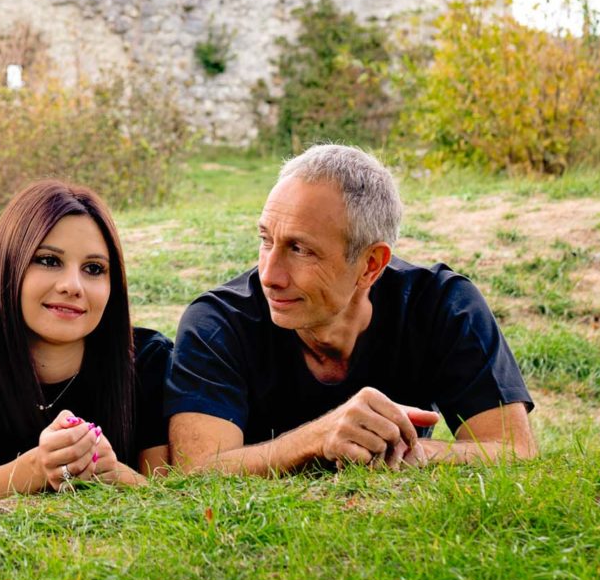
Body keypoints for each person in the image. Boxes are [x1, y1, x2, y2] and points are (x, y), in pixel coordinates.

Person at [167, 144, 535, 474]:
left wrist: (402, 450)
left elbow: (514, 450)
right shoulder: (218, 322)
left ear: (371, 265)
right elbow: (196, 467)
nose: (270, 275)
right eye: (266, 240)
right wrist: (319, 439)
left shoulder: (442, 305)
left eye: (300, 250)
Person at [0, 179, 171, 495]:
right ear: (8, 264)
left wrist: (111, 471)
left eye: (94, 268)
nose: (73, 286)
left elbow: (166, 493)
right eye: (49, 261)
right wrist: (40, 466)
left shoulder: (149, 359)